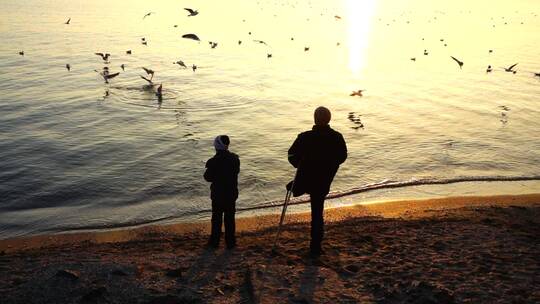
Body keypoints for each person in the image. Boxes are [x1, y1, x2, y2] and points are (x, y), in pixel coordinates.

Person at [287, 106, 347, 256]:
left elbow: (291, 155)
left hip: (307, 177)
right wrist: (330, 164)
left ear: (315, 119)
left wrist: (299, 163)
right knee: (317, 212)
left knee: (314, 209)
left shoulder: (304, 137)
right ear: (329, 119)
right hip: (324, 179)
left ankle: (297, 187)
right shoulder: (337, 137)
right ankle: (315, 246)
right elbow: (342, 156)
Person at [204, 135, 240, 249]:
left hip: (218, 195)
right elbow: (236, 171)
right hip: (231, 193)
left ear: (216, 147)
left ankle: (215, 242)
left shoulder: (214, 161)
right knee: (230, 218)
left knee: (216, 218)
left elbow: (207, 177)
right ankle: (230, 242)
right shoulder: (235, 159)